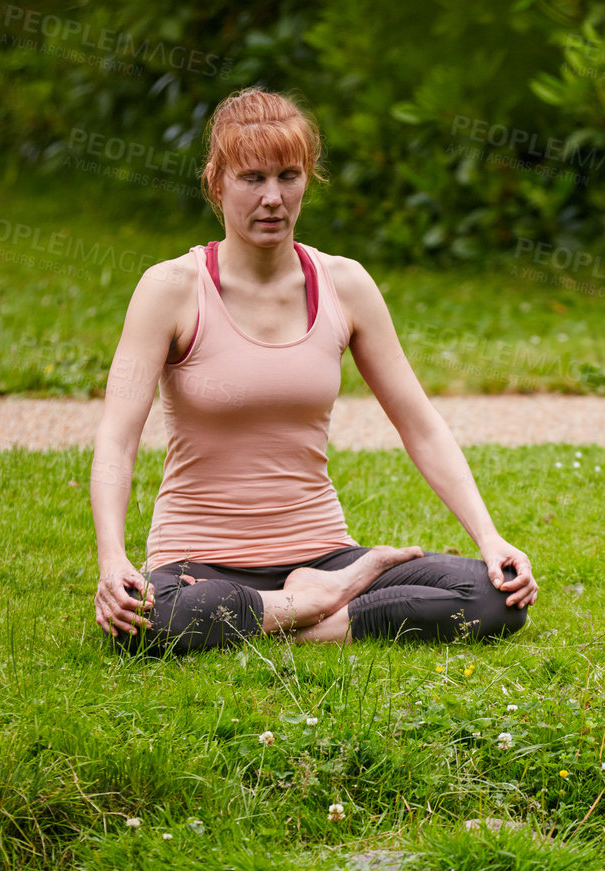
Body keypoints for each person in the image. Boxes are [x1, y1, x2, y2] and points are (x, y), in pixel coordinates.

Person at [90, 88, 538, 655]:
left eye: (288, 176)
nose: (273, 198)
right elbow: (118, 435)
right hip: (198, 563)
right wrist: (113, 558)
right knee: (149, 624)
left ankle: (300, 614)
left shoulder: (344, 284)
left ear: (309, 179)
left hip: (324, 555)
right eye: (252, 178)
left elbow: (419, 424)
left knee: (493, 598)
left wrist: (490, 536)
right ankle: (307, 608)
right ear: (216, 182)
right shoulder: (171, 289)